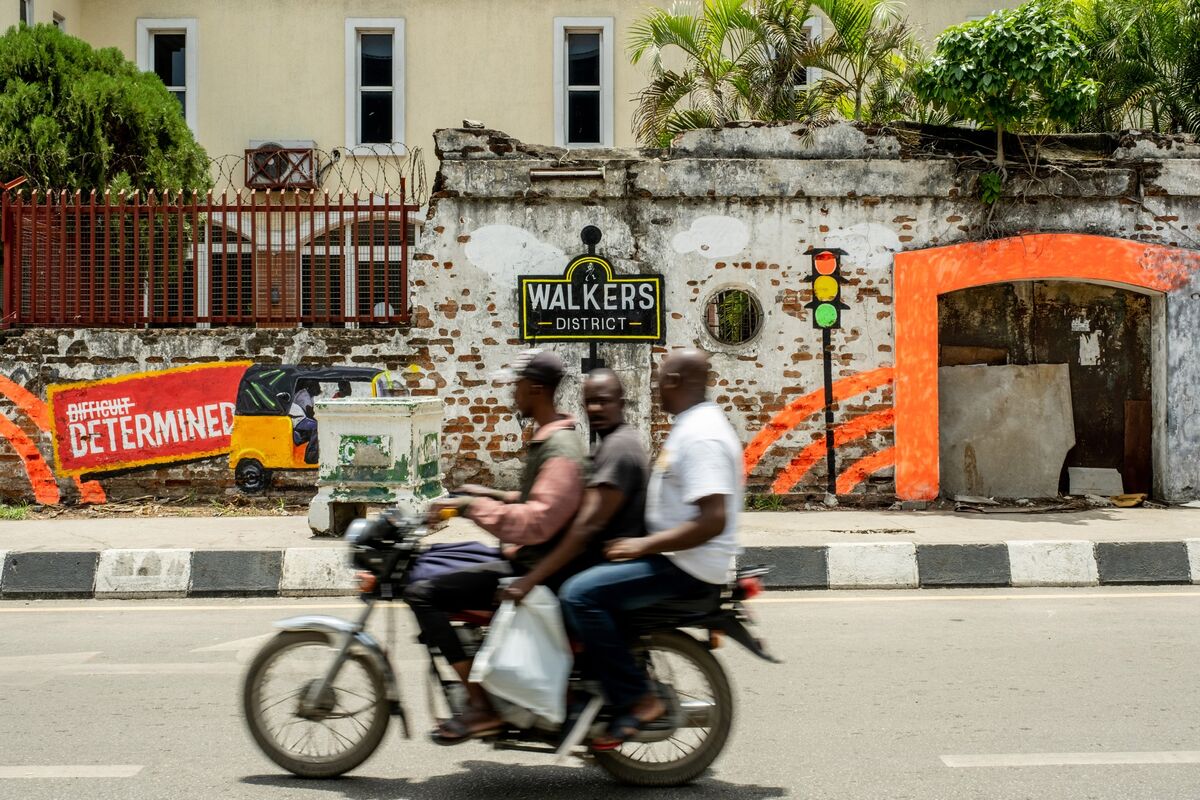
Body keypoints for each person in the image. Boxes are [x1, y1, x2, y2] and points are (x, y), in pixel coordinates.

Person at [558, 348, 743, 750]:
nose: (656, 386)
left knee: (579, 595)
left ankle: (637, 698)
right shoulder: (691, 425)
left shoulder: (702, 436)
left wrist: (643, 544)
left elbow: (713, 519)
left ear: (675, 382)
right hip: (675, 557)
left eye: (660, 379)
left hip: (684, 566)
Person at [404, 349, 587, 744]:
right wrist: (479, 491)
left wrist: (471, 506)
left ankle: (481, 705)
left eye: (517, 384)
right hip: (525, 558)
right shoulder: (550, 438)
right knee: (437, 561)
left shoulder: (561, 452)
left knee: (422, 594)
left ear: (535, 388)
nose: (512, 392)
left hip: (534, 569)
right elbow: (531, 501)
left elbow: (535, 522)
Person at [498, 368, 650, 605]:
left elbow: (585, 527)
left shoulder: (618, 449)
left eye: (603, 401)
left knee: (573, 596)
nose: (595, 409)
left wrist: (530, 580)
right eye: (589, 402)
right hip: (595, 557)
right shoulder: (611, 443)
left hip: (606, 561)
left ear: (620, 403)